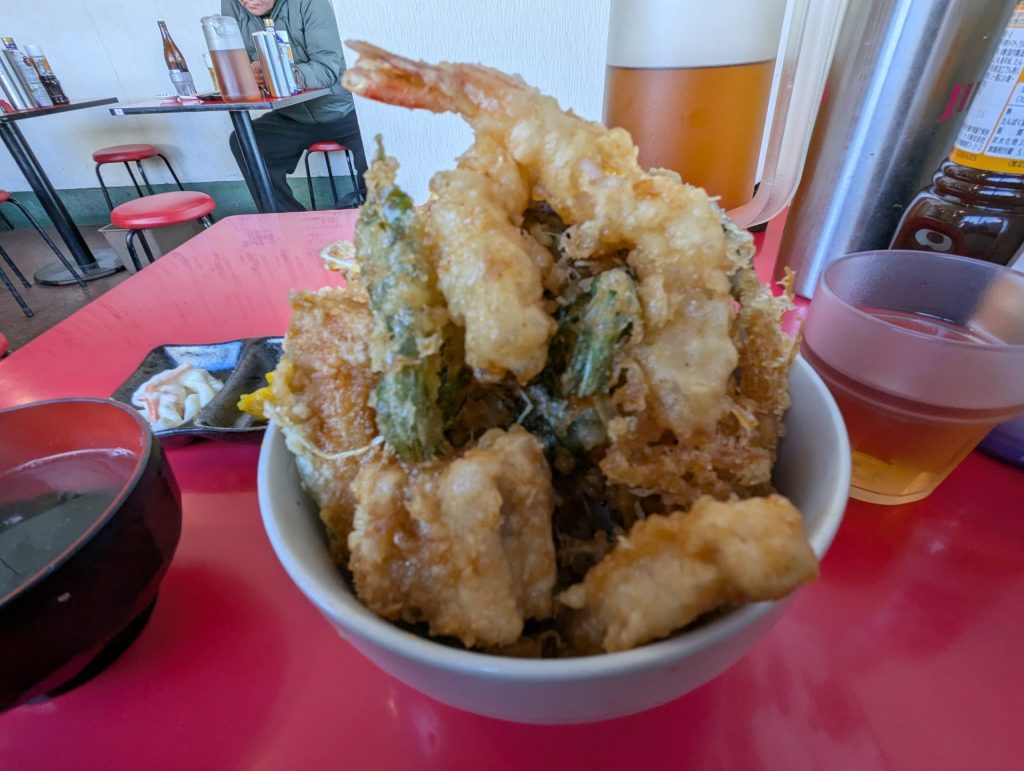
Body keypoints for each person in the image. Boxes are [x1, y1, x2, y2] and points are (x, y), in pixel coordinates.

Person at [222, 0, 367, 211]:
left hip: (341, 108)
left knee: (380, 140)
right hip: (292, 114)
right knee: (246, 142)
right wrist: (248, 72)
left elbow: (327, 69)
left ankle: (373, 222)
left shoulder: (311, 3)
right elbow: (235, 61)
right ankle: (287, 222)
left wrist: (275, 73)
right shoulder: (232, 5)